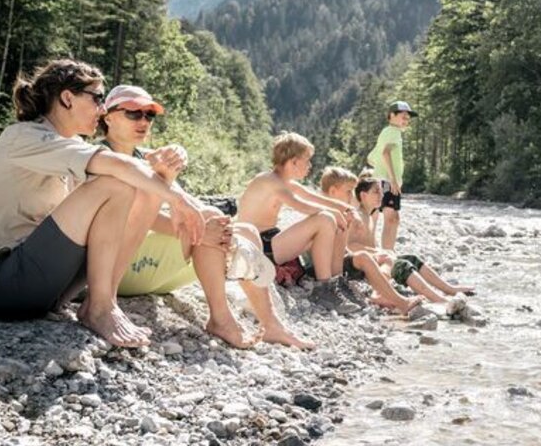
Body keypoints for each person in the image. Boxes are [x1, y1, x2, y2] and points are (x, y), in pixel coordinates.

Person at [0, 60, 205, 348]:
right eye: (97, 98)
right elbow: (116, 165)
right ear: (67, 98)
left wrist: (165, 184)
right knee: (116, 181)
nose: (103, 110)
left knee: (144, 187)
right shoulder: (25, 137)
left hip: (41, 287)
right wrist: (180, 201)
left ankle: (103, 302)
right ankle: (101, 308)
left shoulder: (67, 147)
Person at [102, 85, 312, 349]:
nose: (143, 121)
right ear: (107, 117)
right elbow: (129, 219)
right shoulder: (99, 158)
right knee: (211, 223)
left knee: (245, 230)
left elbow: (184, 203)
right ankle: (221, 319)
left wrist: (211, 224)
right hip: (120, 267)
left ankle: (271, 325)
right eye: (133, 113)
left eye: (149, 115)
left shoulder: (146, 157)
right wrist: (200, 228)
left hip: (153, 266)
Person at [323, 169, 474, 304]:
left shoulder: (369, 215)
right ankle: (438, 300)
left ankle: (448, 289)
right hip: (355, 263)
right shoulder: (356, 217)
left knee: (411, 258)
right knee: (399, 264)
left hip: (368, 260)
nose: (381, 195)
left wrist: (378, 252)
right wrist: (377, 253)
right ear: (363, 195)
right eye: (376, 192)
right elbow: (348, 246)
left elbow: (368, 244)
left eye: (382, 191)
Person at [237, 132, 355, 291]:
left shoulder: (285, 182)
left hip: (271, 242)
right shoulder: (269, 181)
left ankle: (337, 281)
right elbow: (301, 205)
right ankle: (325, 288)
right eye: (307, 160)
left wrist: (346, 209)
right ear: (293, 162)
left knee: (340, 220)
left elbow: (313, 198)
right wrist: (334, 213)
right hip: (259, 247)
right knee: (325, 219)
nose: (310, 166)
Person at [313, 167, 423, 315]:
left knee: (384, 258)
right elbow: (330, 248)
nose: (352, 196)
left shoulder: (343, 212)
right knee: (366, 258)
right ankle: (400, 302)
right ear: (333, 191)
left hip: (338, 263)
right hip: (321, 267)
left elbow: (342, 246)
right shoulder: (324, 213)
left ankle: (383, 294)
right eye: (348, 192)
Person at [365, 100, 417, 250]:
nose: (406, 121)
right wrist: (393, 180)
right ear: (391, 116)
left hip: (381, 180)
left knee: (376, 217)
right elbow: (385, 153)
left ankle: (373, 250)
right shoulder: (393, 132)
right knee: (392, 218)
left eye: (408, 118)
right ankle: (388, 253)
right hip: (387, 181)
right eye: (403, 116)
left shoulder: (387, 132)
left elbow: (371, 157)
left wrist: (378, 173)